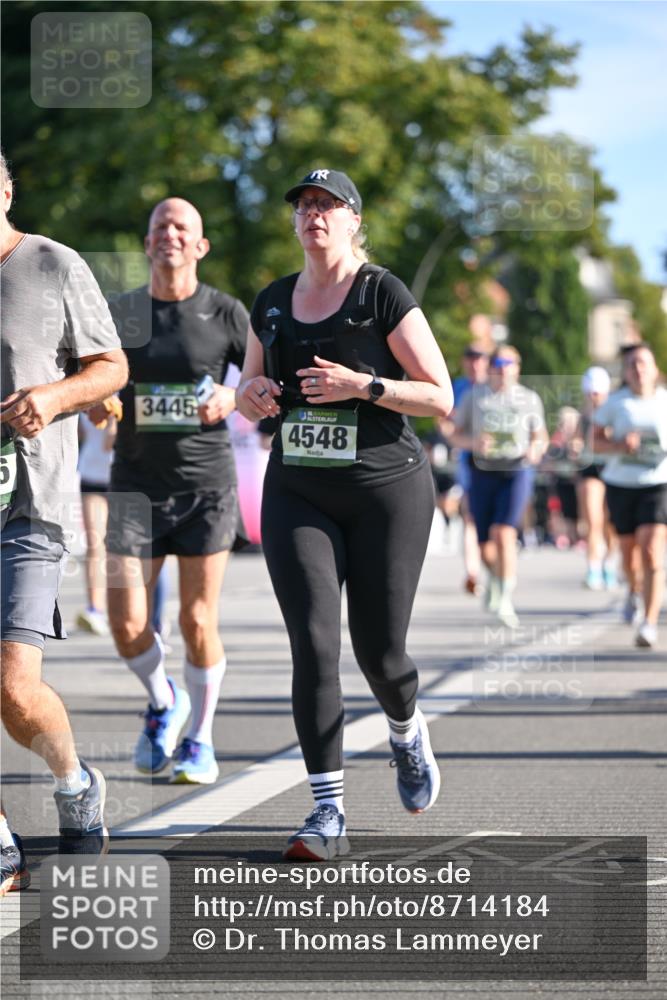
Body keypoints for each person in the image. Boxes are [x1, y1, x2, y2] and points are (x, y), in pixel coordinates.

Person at [236, 168, 453, 860]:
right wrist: (253, 394)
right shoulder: (272, 302)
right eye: (304, 204)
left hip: (387, 490)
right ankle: (326, 811)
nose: (314, 215)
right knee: (314, 643)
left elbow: (440, 396)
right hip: (299, 489)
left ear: (354, 220)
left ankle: (405, 730)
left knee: (380, 653)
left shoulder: (380, 292)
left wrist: (363, 385)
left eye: (328, 205)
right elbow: (245, 387)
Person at [0, 150, 128, 893]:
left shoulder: (52, 264)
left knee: (15, 687)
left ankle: (75, 783)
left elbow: (110, 366)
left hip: (29, 502)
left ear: (6, 191)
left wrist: (50, 398)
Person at [106, 197, 248, 784]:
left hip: (204, 486)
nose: (170, 233)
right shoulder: (122, 313)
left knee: (196, 619)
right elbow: (93, 373)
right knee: (124, 621)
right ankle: (165, 700)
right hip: (135, 485)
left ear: (200, 245)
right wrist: (98, 399)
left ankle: (200, 740)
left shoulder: (226, 312)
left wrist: (233, 396)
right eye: (160, 226)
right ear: (147, 244)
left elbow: (264, 380)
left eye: (181, 226)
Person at [450, 344, 548, 628]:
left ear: (518, 368)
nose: (504, 369)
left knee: (504, 532)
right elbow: (454, 435)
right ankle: (494, 577)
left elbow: (540, 436)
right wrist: (473, 443)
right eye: (499, 364)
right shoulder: (474, 396)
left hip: (515, 470)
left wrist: (535, 450)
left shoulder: (529, 398)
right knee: (484, 545)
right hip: (482, 471)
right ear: (491, 367)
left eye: (510, 363)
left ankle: (505, 597)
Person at [592, 344, 667, 648]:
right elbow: (595, 442)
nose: (638, 369)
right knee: (629, 554)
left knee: (651, 551)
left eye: (644, 363)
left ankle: (649, 622)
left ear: (655, 369)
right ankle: (634, 590)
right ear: (626, 371)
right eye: (633, 364)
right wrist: (620, 446)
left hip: (658, 483)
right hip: (621, 484)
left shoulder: (664, 401)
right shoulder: (615, 403)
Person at [444, 346, 488, 593]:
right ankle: (473, 572)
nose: (475, 364)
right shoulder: (457, 387)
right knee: (470, 516)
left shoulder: (495, 387)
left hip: (498, 464)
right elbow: (443, 419)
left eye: (479, 359)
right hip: (468, 461)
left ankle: (495, 570)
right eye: (471, 359)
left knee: (493, 523)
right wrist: (455, 437)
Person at [574, 367, 618, 590]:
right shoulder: (583, 416)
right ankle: (593, 567)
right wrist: (575, 447)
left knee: (611, 522)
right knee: (593, 520)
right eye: (590, 393)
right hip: (590, 469)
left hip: (613, 470)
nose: (594, 397)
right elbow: (576, 440)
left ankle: (609, 563)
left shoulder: (614, 412)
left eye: (597, 393)